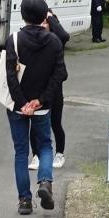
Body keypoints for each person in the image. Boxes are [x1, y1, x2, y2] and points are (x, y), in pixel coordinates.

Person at [4, 0, 63, 215]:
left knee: (21, 152)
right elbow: (60, 74)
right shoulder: (54, 41)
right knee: (45, 145)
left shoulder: (14, 40)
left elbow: (10, 76)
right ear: (44, 16)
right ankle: (45, 182)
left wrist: (23, 103)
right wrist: (40, 100)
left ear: (23, 16)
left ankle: (24, 201)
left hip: (17, 106)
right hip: (43, 106)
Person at [39, 10, 72, 172]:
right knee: (38, 123)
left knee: (55, 122)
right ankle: (36, 154)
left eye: (46, 22)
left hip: (55, 89)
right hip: (39, 88)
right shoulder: (36, 39)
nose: (43, 24)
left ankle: (59, 153)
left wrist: (51, 18)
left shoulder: (56, 41)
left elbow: (64, 35)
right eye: (42, 21)